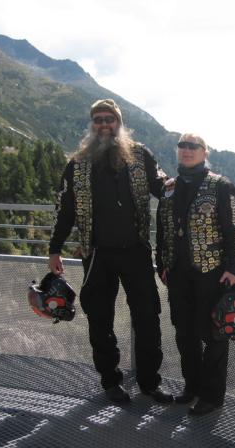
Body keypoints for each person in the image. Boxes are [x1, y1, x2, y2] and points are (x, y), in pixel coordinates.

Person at [48, 98, 173, 404]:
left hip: (136, 251)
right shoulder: (77, 165)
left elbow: (162, 187)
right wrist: (54, 249)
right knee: (100, 319)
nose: (104, 124)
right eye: (99, 119)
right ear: (92, 124)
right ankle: (111, 382)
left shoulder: (140, 155)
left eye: (109, 119)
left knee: (148, 317)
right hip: (97, 254)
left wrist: (188, 183)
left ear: (119, 122)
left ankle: (150, 382)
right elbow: (64, 210)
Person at [156, 133, 235, 415]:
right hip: (178, 274)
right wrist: (161, 264)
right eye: (182, 145)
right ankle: (192, 386)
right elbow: (161, 230)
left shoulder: (221, 186)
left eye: (193, 146)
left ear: (204, 152)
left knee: (215, 334)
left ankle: (212, 396)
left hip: (212, 274)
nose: (187, 150)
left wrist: (232, 268)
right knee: (185, 334)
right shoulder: (169, 188)